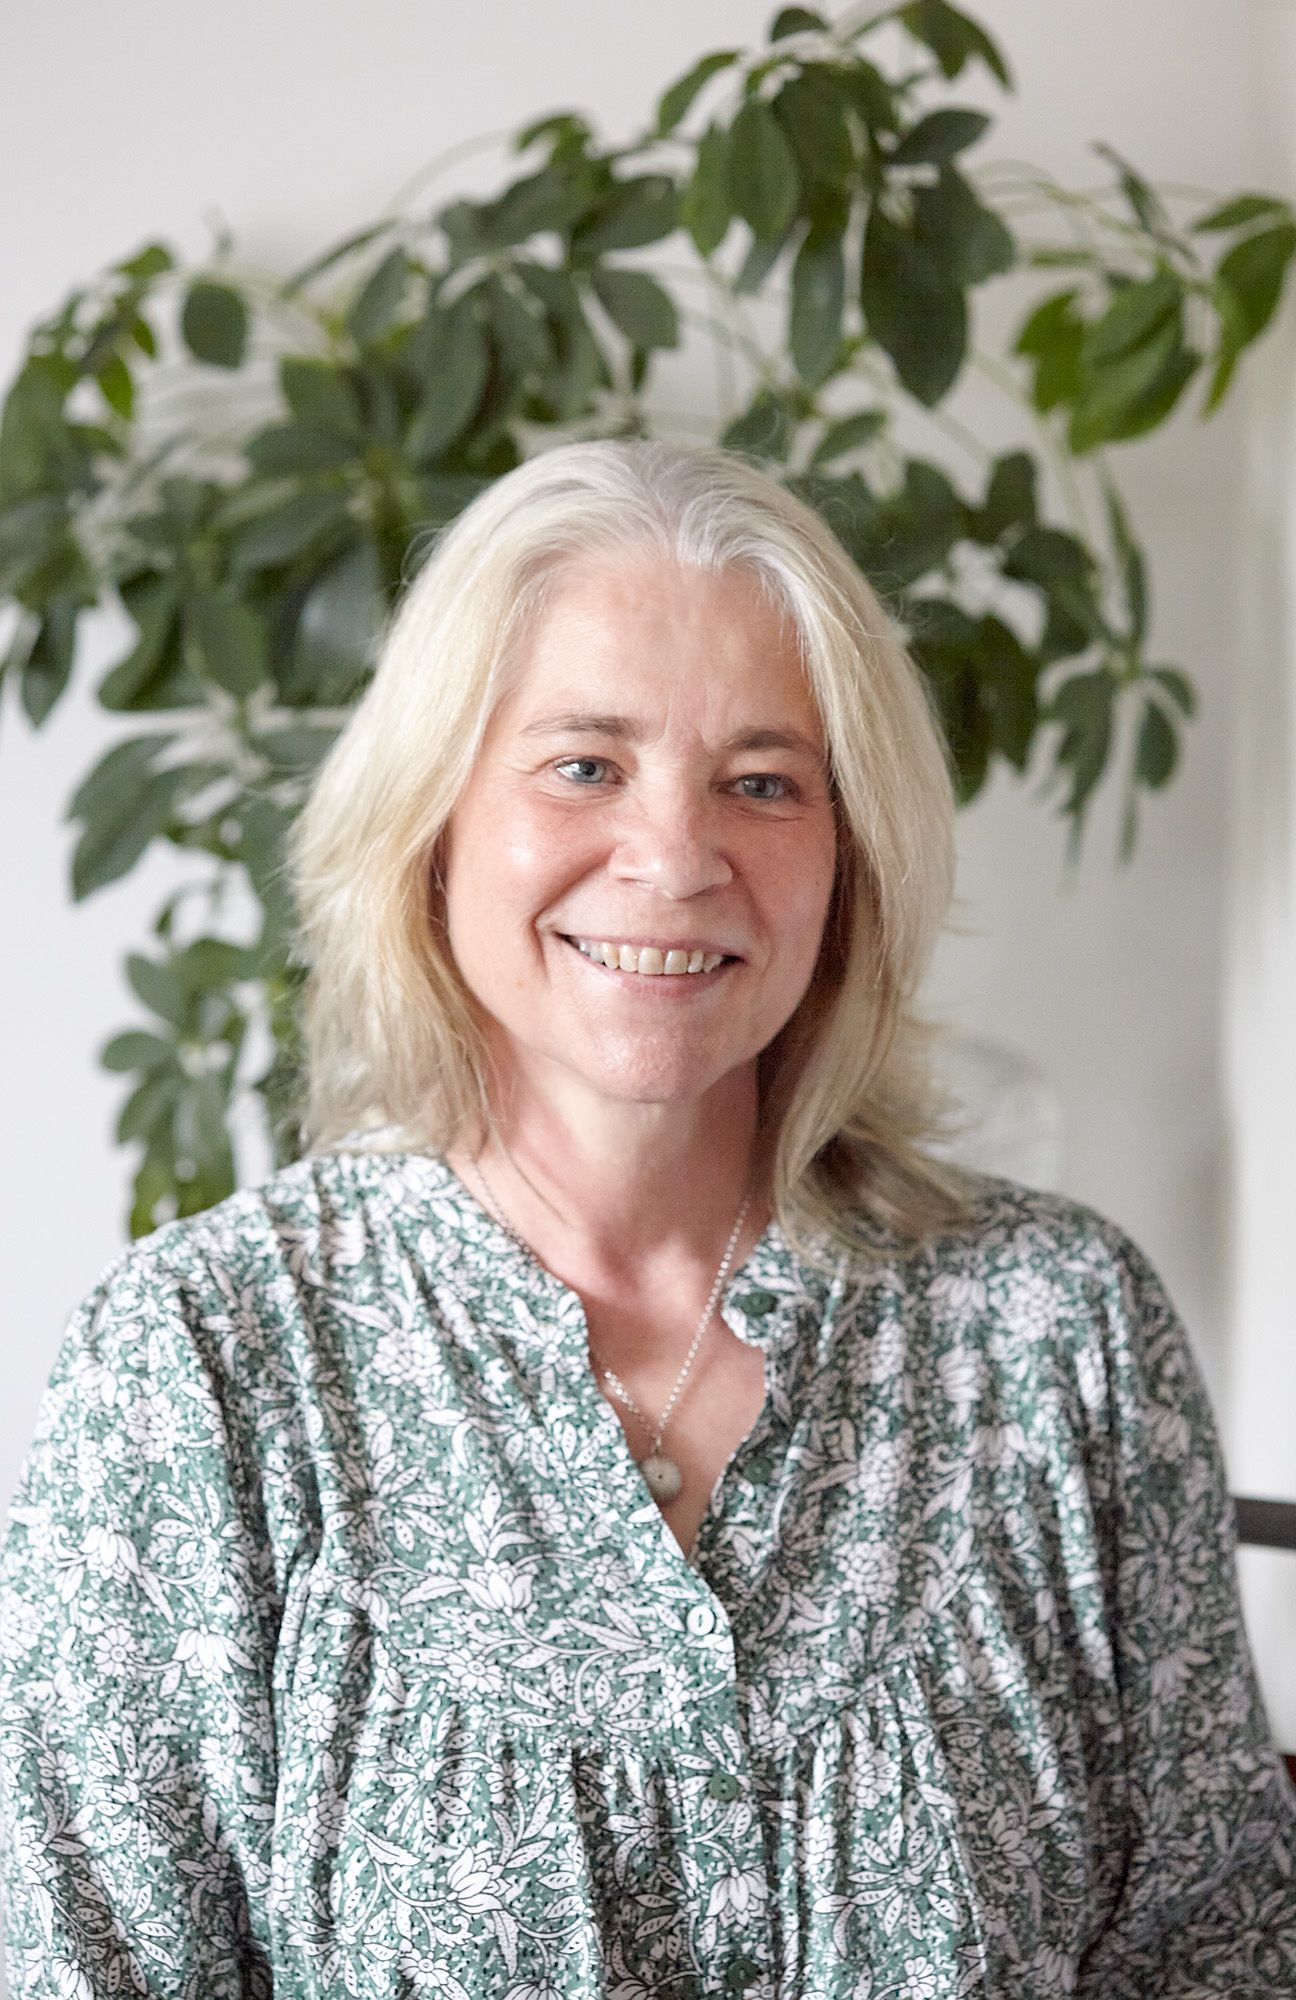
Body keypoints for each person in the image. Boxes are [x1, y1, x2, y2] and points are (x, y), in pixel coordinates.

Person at [0, 440, 1292, 1999]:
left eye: (763, 782)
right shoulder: (198, 1372)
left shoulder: (1059, 1329)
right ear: (432, 821)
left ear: (850, 862)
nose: (676, 860)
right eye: (584, 764)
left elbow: (1217, 1952)